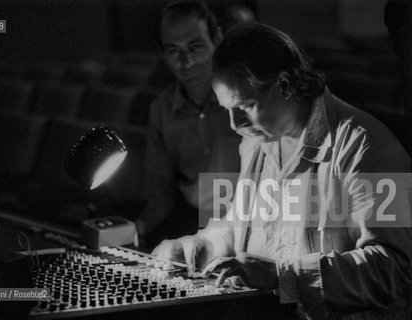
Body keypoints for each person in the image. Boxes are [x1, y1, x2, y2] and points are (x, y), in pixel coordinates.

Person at [152, 23, 412, 319]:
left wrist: (281, 275)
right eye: (227, 108)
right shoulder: (256, 140)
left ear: (286, 84)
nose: (234, 124)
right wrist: (204, 244)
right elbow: (242, 223)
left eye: (246, 106)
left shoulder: (366, 145)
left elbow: (391, 268)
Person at [135, 0, 241, 247]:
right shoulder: (162, 109)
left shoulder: (245, 98)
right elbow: (161, 195)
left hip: (250, 222)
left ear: (217, 39)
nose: (187, 61)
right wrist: (134, 229)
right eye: (174, 51)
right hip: (192, 223)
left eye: (195, 47)